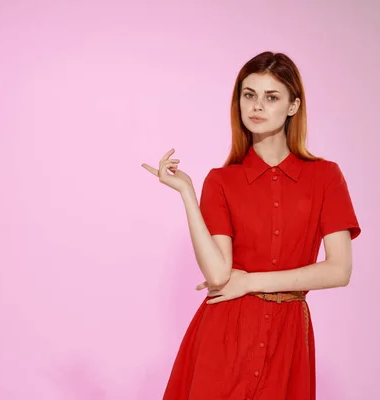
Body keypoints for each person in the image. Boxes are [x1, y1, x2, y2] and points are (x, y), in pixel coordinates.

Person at [141, 51, 361, 400]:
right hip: (225, 335)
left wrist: (251, 282)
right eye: (249, 95)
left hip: (287, 339)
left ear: (293, 106)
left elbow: (339, 270)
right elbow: (217, 275)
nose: (257, 106)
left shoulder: (325, 177)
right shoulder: (221, 181)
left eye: (271, 97)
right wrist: (186, 192)